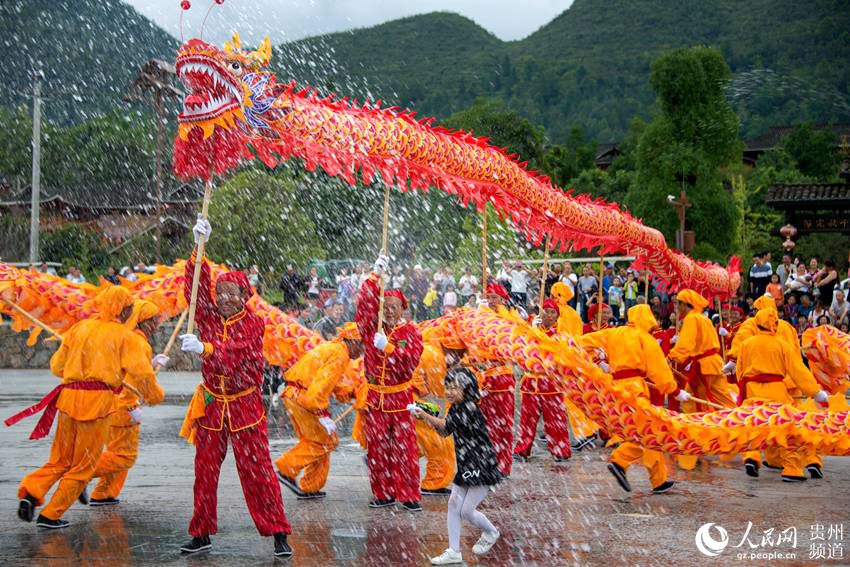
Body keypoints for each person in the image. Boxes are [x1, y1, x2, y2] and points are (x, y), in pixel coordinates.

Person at [178, 218, 291, 556]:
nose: (224, 298)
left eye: (232, 293)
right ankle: (200, 532)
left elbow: (238, 352)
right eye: (221, 293)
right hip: (213, 402)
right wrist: (199, 250)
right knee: (204, 470)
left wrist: (206, 349)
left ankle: (278, 532)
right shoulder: (210, 316)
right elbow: (193, 289)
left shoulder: (254, 323)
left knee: (257, 470)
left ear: (245, 295)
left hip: (244, 404)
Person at [11, 287, 154, 528]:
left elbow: (57, 367)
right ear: (124, 308)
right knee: (83, 465)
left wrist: (83, 367)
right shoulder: (123, 336)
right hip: (96, 405)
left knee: (59, 460)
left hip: (68, 400)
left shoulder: (80, 328)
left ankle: (31, 492)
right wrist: (154, 395)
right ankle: (51, 515)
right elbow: (141, 373)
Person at [583, 305, 689, 493]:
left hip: (616, 389)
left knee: (647, 431)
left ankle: (658, 479)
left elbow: (582, 342)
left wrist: (599, 362)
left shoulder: (614, 333)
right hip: (635, 389)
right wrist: (675, 391)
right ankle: (620, 460)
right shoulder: (644, 337)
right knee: (645, 432)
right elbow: (659, 370)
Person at [412, 367, 502, 565]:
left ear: (467, 389)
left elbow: (445, 426)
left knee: (466, 511)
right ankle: (454, 551)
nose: (450, 392)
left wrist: (425, 416)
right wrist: (427, 417)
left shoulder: (469, 407)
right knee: (453, 504)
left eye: (455, 388)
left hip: (480, 463)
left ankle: (491, 531)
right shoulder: (457, 408)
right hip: (466, 463)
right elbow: (446, 432)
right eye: (448, 387)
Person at [356, 254, 424, 511]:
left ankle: (408, 494)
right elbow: (363, 304)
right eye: (386, 305)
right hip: (376, 399)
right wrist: (374, 276)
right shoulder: (371, 328)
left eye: (395, 306)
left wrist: (390, 349)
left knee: (405, 449)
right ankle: (382, 493)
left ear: (403, 309)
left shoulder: (410, 333)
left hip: (401, 399)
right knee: (377, 449)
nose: (390, 310)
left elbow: (410, 362)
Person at [87, 300, 167, 506]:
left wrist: (151, 363)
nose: (157, 324)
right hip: (123, 407)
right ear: (144, 321)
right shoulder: (138, 342)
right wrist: (134, 404)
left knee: (117, 453)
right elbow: (135, 379)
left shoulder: (127, 338)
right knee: (124, 456)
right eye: (154, 320)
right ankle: (80, 475)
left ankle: (104, 493)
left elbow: (124, 370)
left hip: (115, 405)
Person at [737, 309, 829, 481]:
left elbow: (739, 371)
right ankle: (792, 469)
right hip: (776, 390)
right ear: (774, 324)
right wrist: (815, 392)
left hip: (751, 390)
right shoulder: (782, 345)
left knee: (754, 426)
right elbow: (798, 372)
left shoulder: (746, 343)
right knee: (789, 429)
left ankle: (751, 457)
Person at [276, 324, 363, 498]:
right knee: (325, 441)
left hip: (295, 395)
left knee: (319, 440)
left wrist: (350, 392)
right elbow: (320, 387)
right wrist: (321, 412)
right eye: (363, 345)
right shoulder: (340, 355)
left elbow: (330, 381)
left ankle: (311, 486)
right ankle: (286, 469)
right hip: (304, 398)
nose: (362, 352)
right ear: (353, 342)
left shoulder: (334, 349)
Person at [668, 289, 735, 469]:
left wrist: (672, 356)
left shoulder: (691, 319)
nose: (677, 306)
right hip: (714, 363)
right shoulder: (703, 318)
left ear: (685, 304)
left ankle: (697, 442)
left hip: (704, 366)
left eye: (679, 303)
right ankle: (739, 430)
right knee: (725, 401)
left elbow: (686, 344)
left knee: (691, 403)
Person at [514, 299, 572, 462]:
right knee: (527, 419)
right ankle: (522, 449)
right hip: (532, 381)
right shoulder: (531, 331)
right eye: (545, 310)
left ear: (557, 317)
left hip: (551, 383)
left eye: (552, 312)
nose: (548, 314)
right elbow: (522, 349)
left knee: (556, 420)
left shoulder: (561, 337)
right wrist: (530, 331)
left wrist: (537, 334)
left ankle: (560, 450)